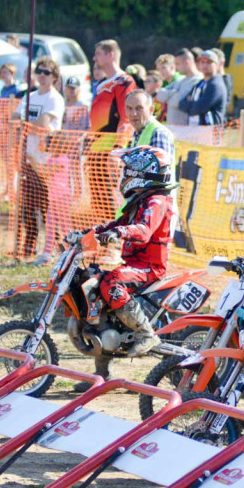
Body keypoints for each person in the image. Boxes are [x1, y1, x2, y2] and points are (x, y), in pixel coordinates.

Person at [71, 146, 178, 390]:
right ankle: (102, 374)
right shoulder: (139, 201)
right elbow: (116, 223)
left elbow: (143, 231)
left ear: (143, 172)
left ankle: (146, 333)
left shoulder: (157, 201)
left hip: (150, 267)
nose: (124, 174)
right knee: (95, 288)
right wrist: (88, 234)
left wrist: (119, 232)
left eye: (128, 170)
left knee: (110, 282)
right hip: (132, 264)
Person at [14, 57, 65, 262]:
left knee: (47, 208)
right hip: (28, 157)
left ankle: (56, 246)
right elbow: (15, 118)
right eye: (39, 71)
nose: (42, 76)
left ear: (54, 77)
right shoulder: (30, 96)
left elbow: (43, 124)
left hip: (47, 160)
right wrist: (27, 124)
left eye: (47, 73)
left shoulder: (54, 99)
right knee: (28, 206)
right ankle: (29, 246)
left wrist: (27, 124)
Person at [89, 39, 137, 133]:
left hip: (112, 142)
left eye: (98, 54)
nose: (94, 58)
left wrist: (120, 144)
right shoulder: (101, 83)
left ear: (110, 55)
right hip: (97, 142)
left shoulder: (123, 81)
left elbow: (126, 117)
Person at [178, 50, 226, 126]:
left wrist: (191, 104)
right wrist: (194, 105)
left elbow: (200, 107)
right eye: (202, 62)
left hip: (210, 133)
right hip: (195, 130)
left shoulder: (216, 84)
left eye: (209, 62)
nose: (205, 65)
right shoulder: (200, 84)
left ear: (216, 65)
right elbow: (181, 104)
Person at [156, 48, 202, 126]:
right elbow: (159, 95)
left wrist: (168, 97)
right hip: (174, 130)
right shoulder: (181, 80)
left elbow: (177, 101)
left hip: (186, 131)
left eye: (177, 64)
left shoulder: (197, 80)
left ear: (187, 63)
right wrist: (175, 92)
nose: (176, 67)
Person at [124, 90, 174, 156]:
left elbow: (160, 165)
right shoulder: (137, 133)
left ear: (151, 110)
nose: (133, 114)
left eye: (139, 108)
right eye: (129, 108)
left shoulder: (158, 133)